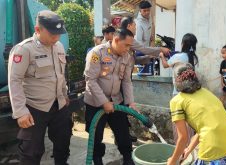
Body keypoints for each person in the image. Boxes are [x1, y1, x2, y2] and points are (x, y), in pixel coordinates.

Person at [8, 10, 71, 165]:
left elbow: (60, 75)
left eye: (59, 34)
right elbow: (14, 80)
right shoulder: (24, 49)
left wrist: (64, 94)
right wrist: (20, 112)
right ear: (38, 30)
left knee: (63, 144)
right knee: (31, 152)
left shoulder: (59, 47)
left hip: (59, 105)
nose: (56, 38)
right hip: (34, 108)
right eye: (52, 34)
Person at [167, 64, 226, 165]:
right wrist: (188, 150)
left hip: (215, 150)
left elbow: (183, 137)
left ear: (176, 81)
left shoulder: (177, 101)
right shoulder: (206, 92)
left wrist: (172, 162)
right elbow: (205, 127)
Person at [83, 29, 137, 165]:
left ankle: (127, 158)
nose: (128, 49)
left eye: (130, 46)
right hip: (95, 103)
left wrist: (130, 102)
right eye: (126, 45)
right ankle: (97, 160)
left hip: (116, 101)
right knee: (95, 137)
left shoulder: (127, 56)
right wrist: (104, 102)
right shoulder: (97, 53)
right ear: (116, 40)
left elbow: (126, 81)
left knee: (123, 134)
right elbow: (91, 80)